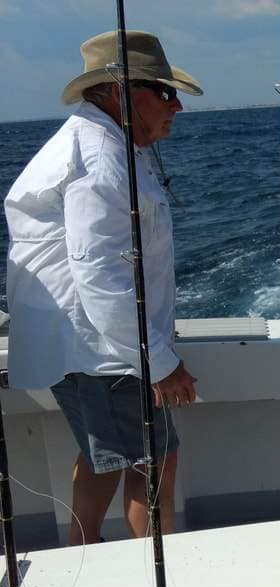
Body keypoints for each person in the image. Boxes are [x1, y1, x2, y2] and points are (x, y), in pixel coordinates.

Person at [4, 31, 202, 546]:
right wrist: (161, 362)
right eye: (164, 92)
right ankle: (159, 575)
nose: (176, 105)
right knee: (153, 461)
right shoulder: (98, 158)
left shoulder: (107, 144)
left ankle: (82, 558)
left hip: (91, 347)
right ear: (119, 92)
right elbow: (98, 275)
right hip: (105, 351)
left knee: (106, 459)